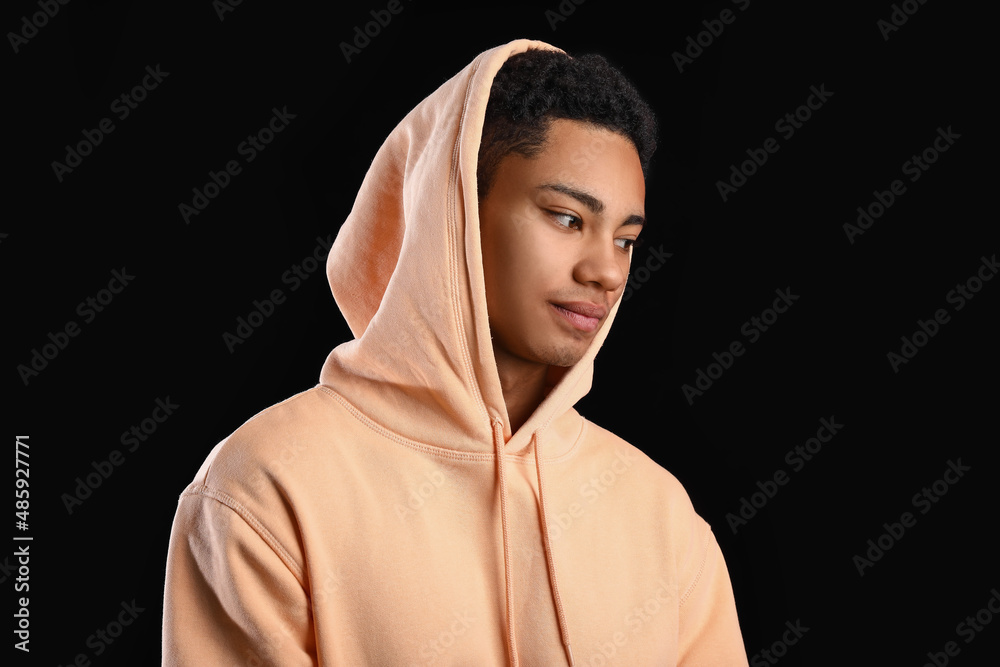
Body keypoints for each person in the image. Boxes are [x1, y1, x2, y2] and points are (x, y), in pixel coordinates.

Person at [162, 38, 748, 666]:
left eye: (626, 239)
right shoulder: (266, 487)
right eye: (567, 218)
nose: (607, 270)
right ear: (458, 213)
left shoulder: (659, 513)